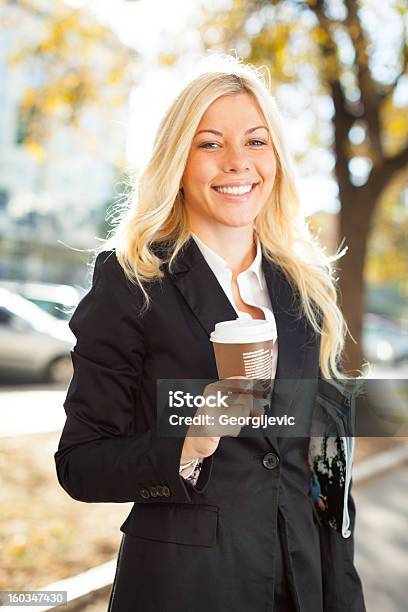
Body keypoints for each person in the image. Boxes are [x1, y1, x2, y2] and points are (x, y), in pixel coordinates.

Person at [54, 54, 366, 611]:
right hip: (184, 589)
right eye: (209, 144)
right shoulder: (132, 283)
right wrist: (189, 443)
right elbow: (81, 463)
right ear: (178, 158)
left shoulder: (306, 290)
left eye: (255, 141)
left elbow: (329, 482)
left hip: (303, 588)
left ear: (275, 157)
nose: (236, 163)